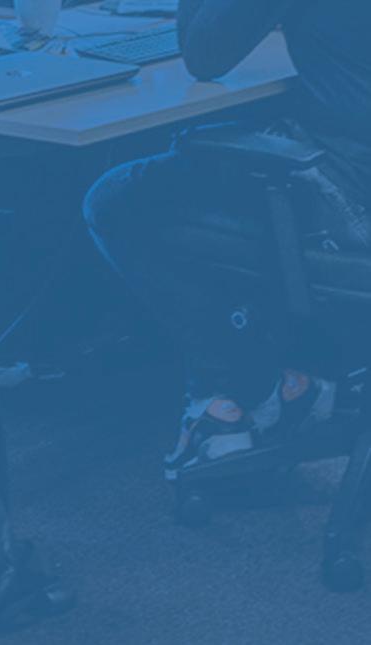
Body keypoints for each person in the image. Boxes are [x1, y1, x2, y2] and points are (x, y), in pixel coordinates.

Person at [83, 0, 371, 479]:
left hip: (351, 196)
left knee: (118, 201)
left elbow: (205, 55)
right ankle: (276, 386)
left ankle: (244, 394)